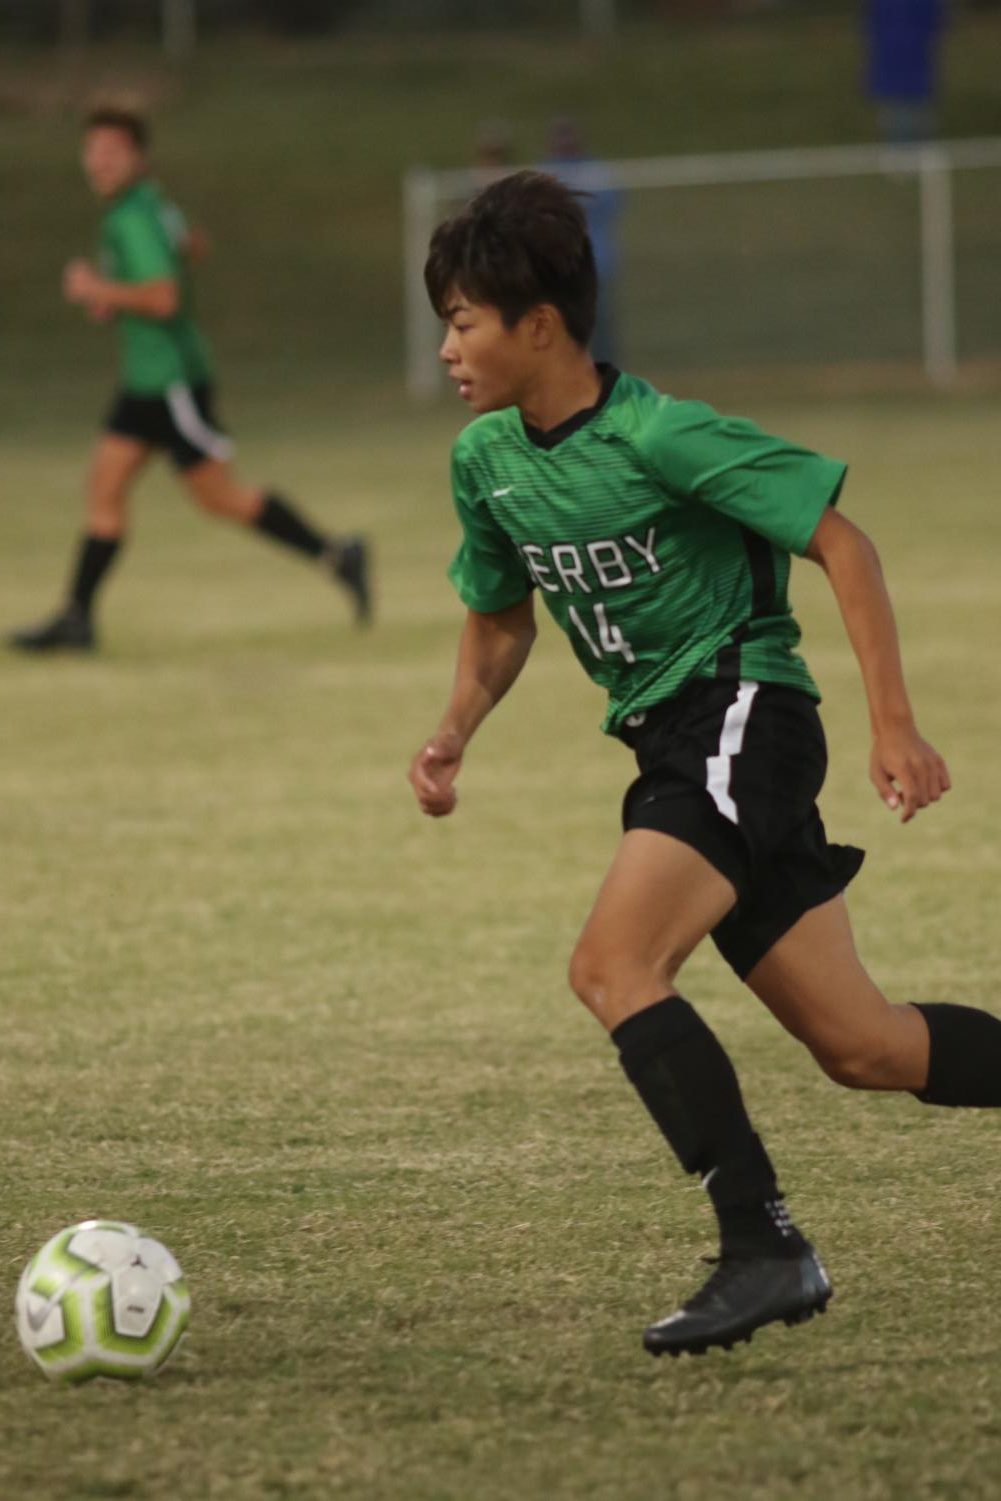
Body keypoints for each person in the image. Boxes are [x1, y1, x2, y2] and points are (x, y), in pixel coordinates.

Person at [407, 170, 1001, 1358]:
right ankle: (767, 1243)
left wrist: (892, 722)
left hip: (742, 714)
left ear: (540, 325)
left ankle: (762, 1245)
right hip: (673, 743)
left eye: (463, 321)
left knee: (612, 964)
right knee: (863, 1046)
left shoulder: (661, 433)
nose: (446, 347)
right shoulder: (485, 464)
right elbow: (502, 614)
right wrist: (454, 728)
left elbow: (839, 539)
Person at [9, 107, 370, 654]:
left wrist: (98, 290)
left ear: (138, 157)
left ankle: (336, 553)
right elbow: (190, 247)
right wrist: (120, 293)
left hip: (172, 383)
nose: (98, 162)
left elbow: (164, 296)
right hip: (145, 382)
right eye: (92, 151)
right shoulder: (152, 204)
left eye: (111, 151)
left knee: (222, 497)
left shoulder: (131, 216)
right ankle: (76, 618)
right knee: (104, 489)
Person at [543, 117, 620, 365]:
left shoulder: (594, 172)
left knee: (600, 323)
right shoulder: (545, 173)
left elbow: (612, 203)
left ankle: (604, 371)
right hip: (557, 266)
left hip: (597, 262)